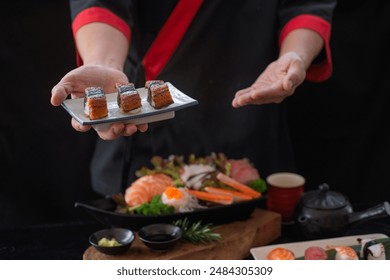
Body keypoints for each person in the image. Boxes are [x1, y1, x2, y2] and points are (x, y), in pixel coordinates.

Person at [51, 0, 337, 195]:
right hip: (143, 122)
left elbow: (306, 4)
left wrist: (294, 54)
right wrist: (104, 64)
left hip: (251, 104)